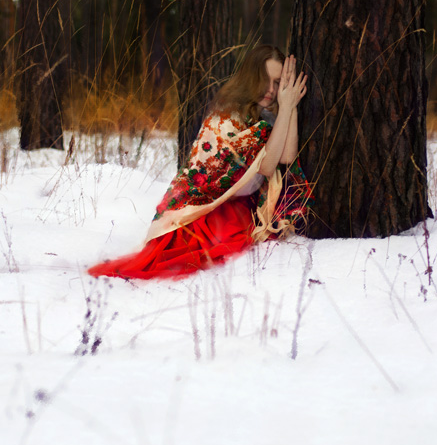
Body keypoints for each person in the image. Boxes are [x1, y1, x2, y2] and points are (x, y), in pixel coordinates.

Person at [88, 45, 313, 280]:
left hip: (237, 203)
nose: (270, 89)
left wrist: (290, 106)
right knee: (213, 243)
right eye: (264, 80)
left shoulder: (265, 114)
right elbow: (267, 166)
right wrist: (285, 108)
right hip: (207, 208)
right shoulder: (228, 114)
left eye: (277, 83)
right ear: (250, 77)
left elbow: (286, 157)